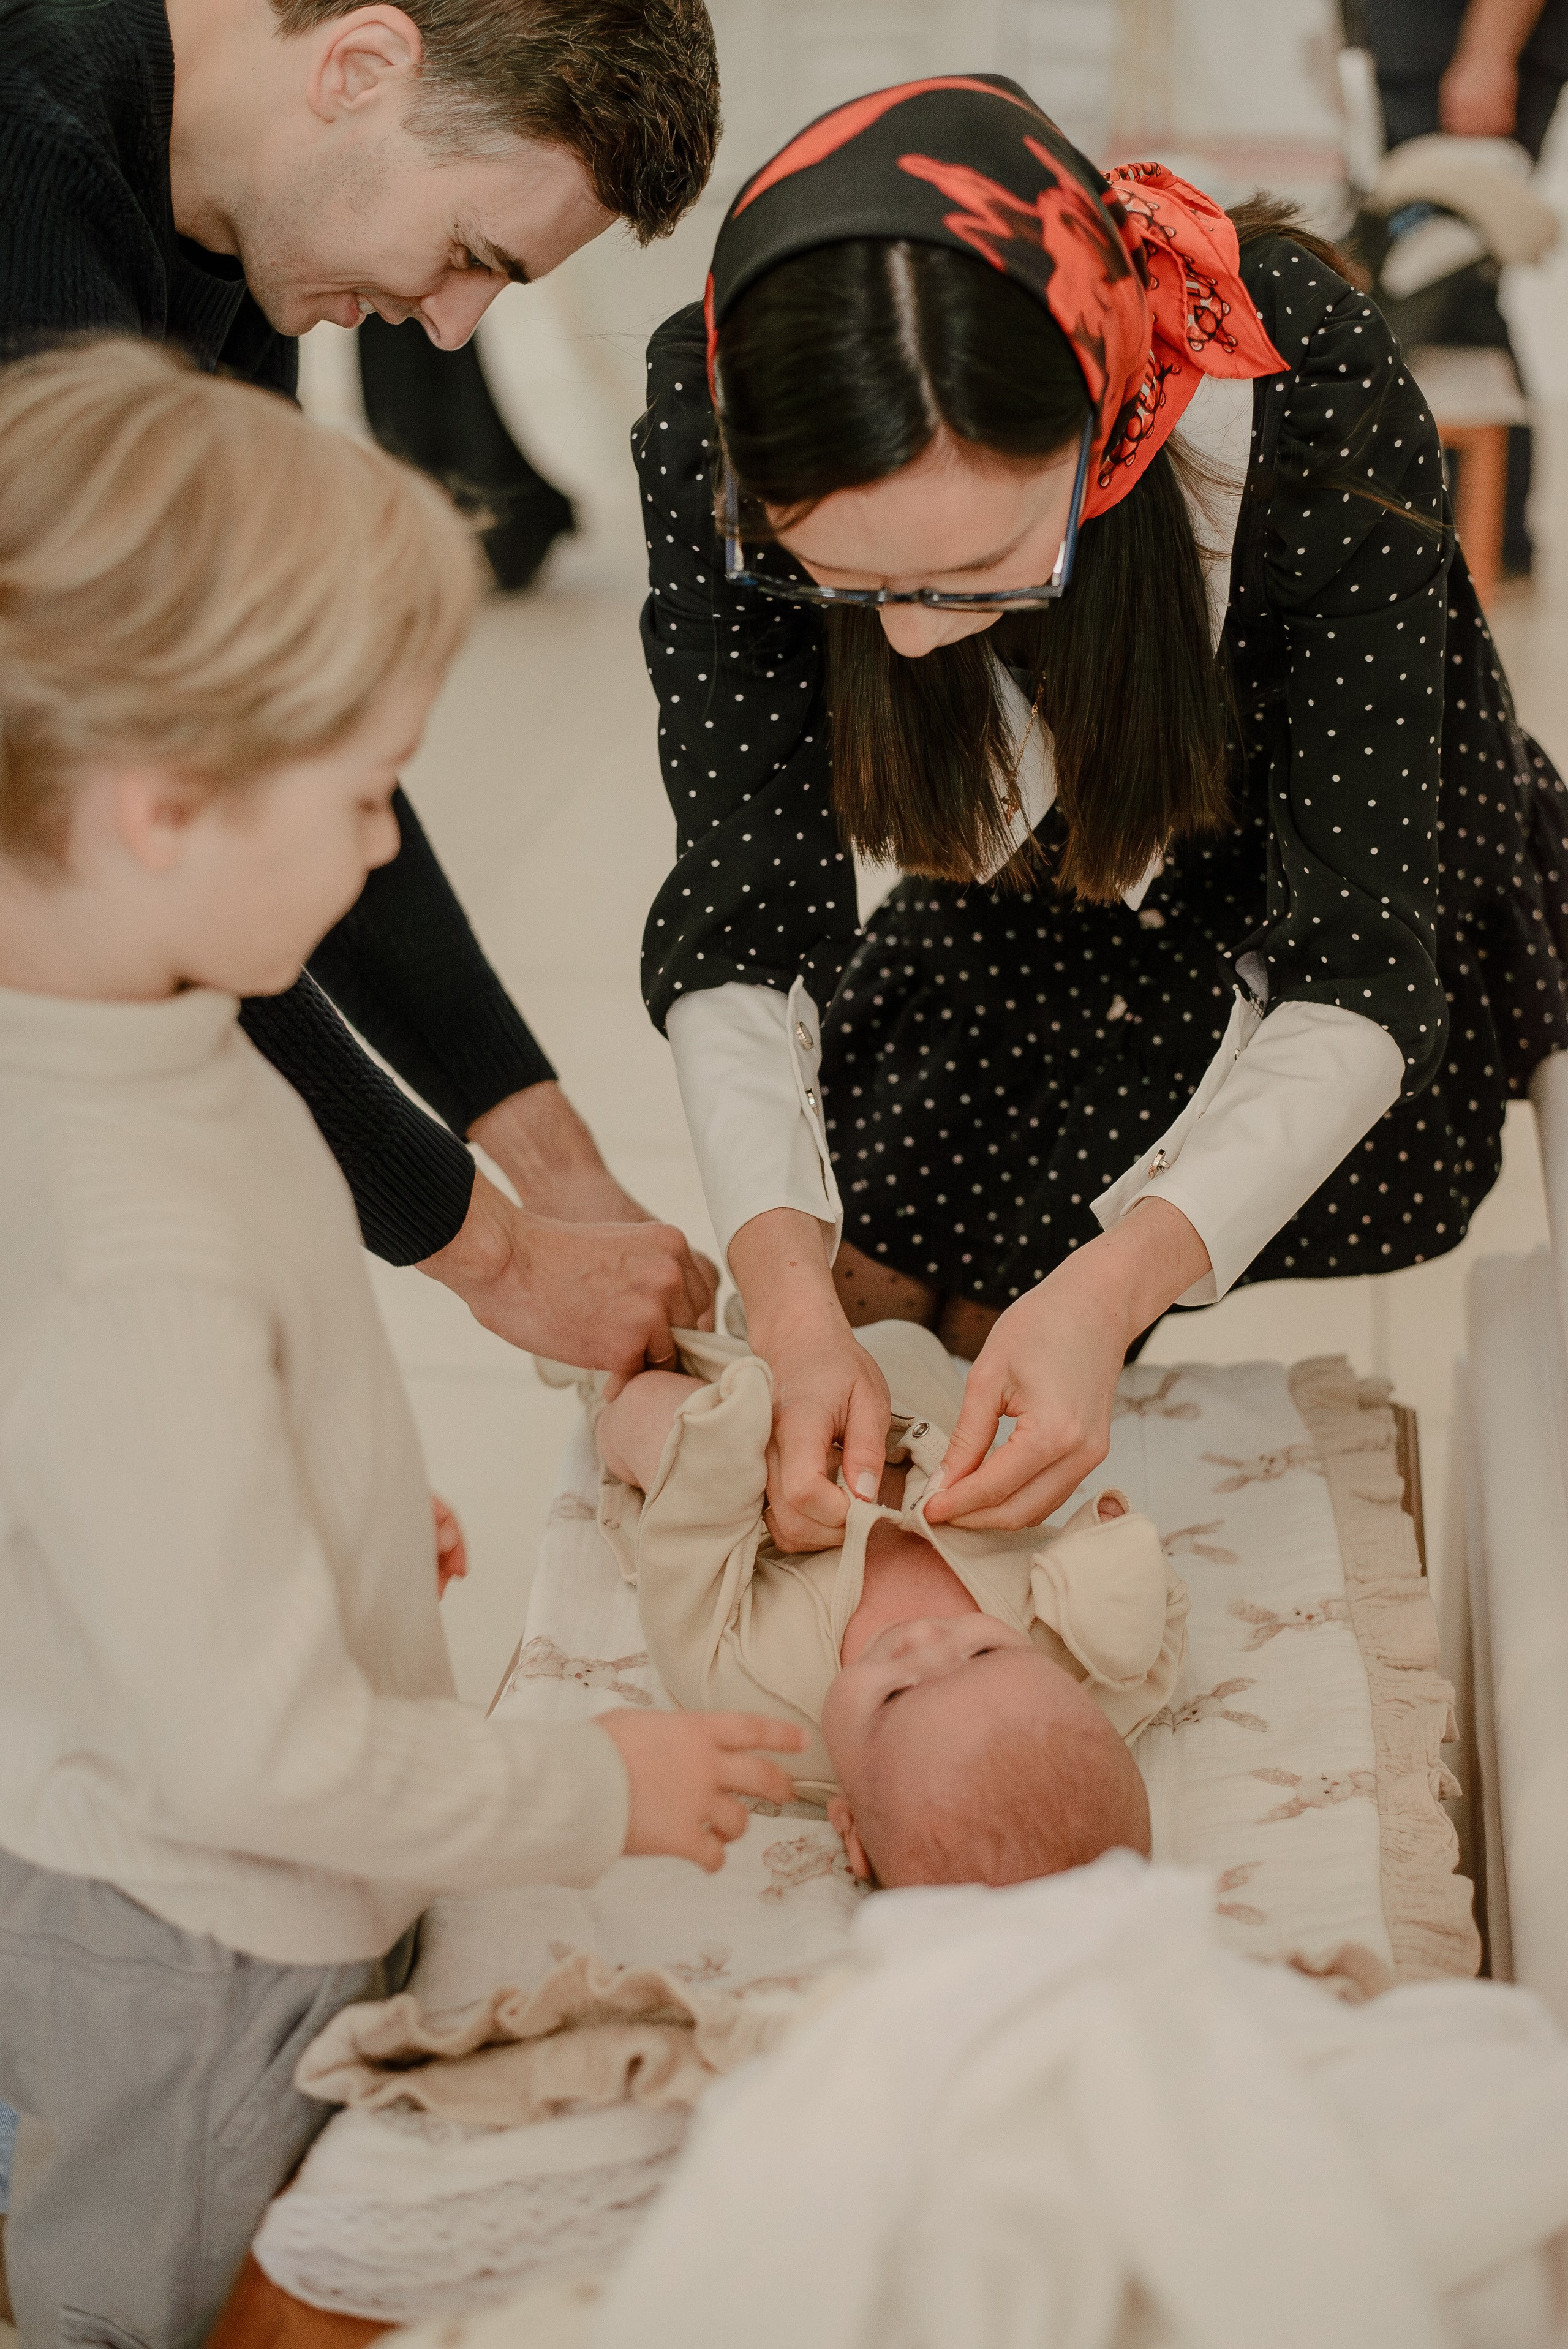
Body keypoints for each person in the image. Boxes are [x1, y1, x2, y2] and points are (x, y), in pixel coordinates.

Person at [0, 340, 804, 2349]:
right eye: (364, 792)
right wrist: (590, 1786)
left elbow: (102, 1458)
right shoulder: (131, 1236)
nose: (382, 851)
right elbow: (259, 1760)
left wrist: (317, 1511)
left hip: (139, 1816)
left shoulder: (133, 1038)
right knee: (162, 2291)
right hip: (201, 1939)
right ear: (162, 808)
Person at [633, 74, 1568, 1548]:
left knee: (1046, 1338)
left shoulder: (1300, 400)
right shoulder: (723, 406)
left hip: (1312, 880)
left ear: (1102, 431)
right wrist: (784, 1277)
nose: (917, 646)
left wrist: (1118, 1280)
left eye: (975, 567)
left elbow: (1354, 968)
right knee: (887, 1333)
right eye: (848, 583)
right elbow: (744, 902)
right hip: (1035, 894)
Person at [0, 0, 723, 1376]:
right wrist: (497, 1257)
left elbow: (274, 757)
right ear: (361, 66)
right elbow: (124, 840)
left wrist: (555, 1167)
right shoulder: (25, 165)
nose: (450, 333)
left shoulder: (226, 225)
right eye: (467, 256)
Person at [594, 1321, 1167, 1887]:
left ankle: (625, 1360)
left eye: (895, 1693)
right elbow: (1144, 1645)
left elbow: (688, 1609)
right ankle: (775, 1319)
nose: (924, 1639)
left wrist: (719, 1467)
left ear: (852, 1828)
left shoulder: (773, 1719)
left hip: (746, 1491)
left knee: (646, 1408)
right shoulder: (1065, 1678)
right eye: (985, 1652)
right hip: (915, 1431)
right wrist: (1106, 1554)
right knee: (904, 1343)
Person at [1351, 0, 1568, 578]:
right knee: (1446, 294)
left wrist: (1487, 54)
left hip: (1464, 58)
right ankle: (1490, 538)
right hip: (1429, 57)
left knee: (1446, 288)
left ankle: (1484, 541)